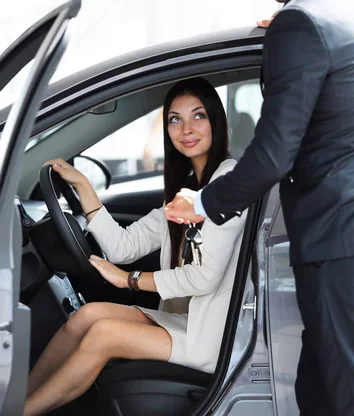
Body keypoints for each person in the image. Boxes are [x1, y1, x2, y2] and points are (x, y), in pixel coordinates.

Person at [165, 0, 354, 416]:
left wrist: (200, 204)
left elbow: (273, 156)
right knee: (321, 389)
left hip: (338, 243)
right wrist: (291, 39)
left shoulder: (302, 23)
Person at [24, 77, 246, 416]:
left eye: (198, 116)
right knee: (89, 315)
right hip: (185, 322)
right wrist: (84, 185)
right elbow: (123, 248)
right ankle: (15, 399)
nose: (186, 128)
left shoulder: (227, 182)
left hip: (211, 338)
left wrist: (128, 280)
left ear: (216, 121)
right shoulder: (185, 190)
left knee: (104, 334)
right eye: (175, 119)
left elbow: (205, 278)